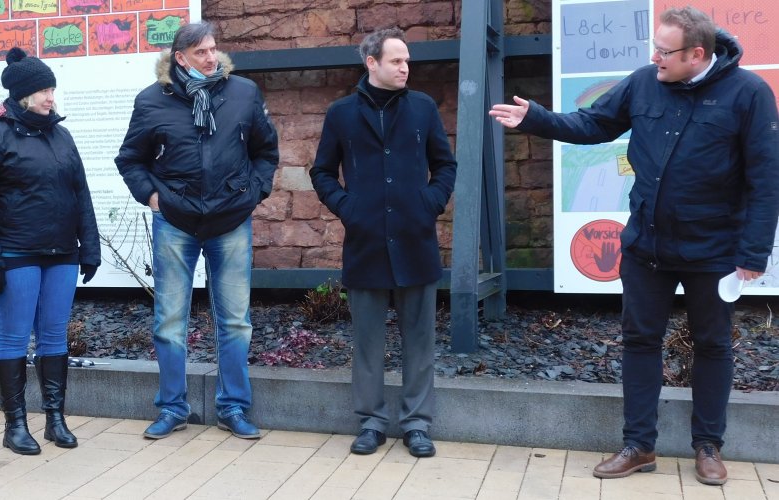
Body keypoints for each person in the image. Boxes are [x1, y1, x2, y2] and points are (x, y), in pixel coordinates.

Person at [490, 7, 779, 485]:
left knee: (712, 345)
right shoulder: (645, 81)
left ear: (698, 55)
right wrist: (535, 119)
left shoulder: (748, 93)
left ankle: (708, 447)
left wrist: (753, 252)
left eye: (665, 52)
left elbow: (766, 178)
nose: (654, 58)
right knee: (640, 340)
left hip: (714, 249)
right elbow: (593, 125)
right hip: (647, 244)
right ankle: (639, 445)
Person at [115, 22, 279, 440]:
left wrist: (252, 194)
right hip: (175, 221)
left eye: (213, 49)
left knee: (236, 321)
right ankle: (172, 408)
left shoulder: (243, 93)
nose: (212, 57)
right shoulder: (152, 101)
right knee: (169, 321)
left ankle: (234, 408)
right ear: (180, 58)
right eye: (201, 52)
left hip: (231, 220)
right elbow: (131, 159)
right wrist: (154, 199)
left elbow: (266, 152)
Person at [309, 28, 457, 458]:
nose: (405, 68)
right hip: (366, 243)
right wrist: (348, 208)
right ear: (371, 63)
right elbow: (322, 172)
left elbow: (444, 165)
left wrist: (429, 203)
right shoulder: (341, 114)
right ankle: (371, 422)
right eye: (396, 61)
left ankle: (417, 424)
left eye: (407, 60)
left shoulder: (423, 109)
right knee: (368, 341)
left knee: (420, 341)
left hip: (416, 241)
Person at [0, 47, 101, 455]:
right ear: (23, 94)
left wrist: (88, 247)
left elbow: (81, 193)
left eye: (52, 89)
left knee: (55, 336)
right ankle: (15, 425)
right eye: (43, 90)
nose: (50, 98)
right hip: (16, 255)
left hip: (61, 253)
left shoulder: (61, 135)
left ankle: (55, 420)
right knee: (13, 337)